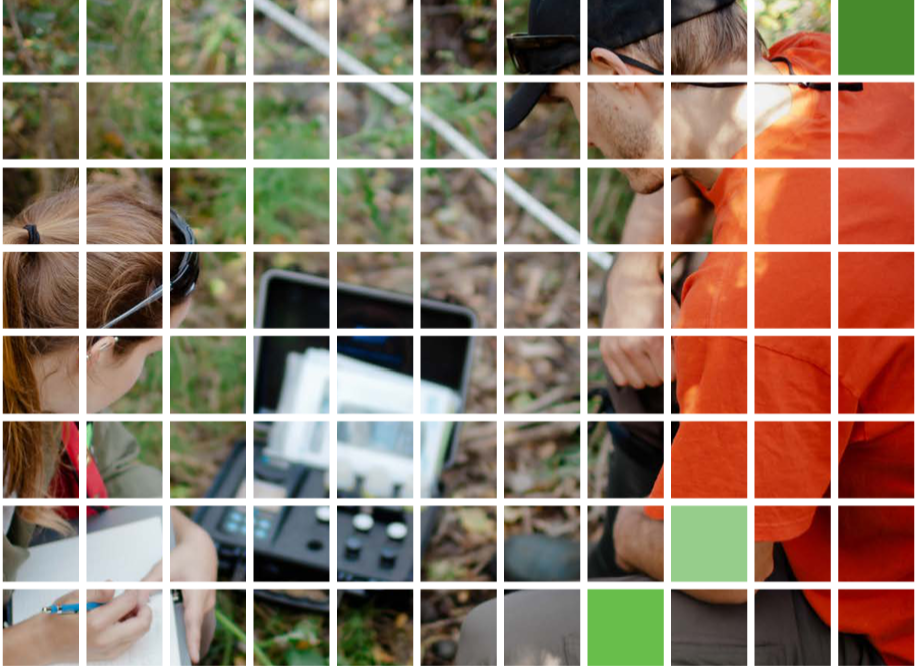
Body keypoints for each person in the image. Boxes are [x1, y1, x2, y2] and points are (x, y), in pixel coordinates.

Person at [460, 0, 915, 664]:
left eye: (573, 102)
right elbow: (699, 148)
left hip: (884, 623)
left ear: (614, 76)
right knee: (654, 364)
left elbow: (725, 566)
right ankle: (608, 578)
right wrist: (635, 277)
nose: (587, 136)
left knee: (502, 640)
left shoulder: (760, 295)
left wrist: (633, 531)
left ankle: (609, 574)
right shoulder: (851, 68)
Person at [2, 185, 218, 665]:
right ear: (96, 354)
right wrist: (33, 646)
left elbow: (111, 459)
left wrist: (188, 536)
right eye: (149, 354)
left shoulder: (41, 365)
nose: (144, 372)